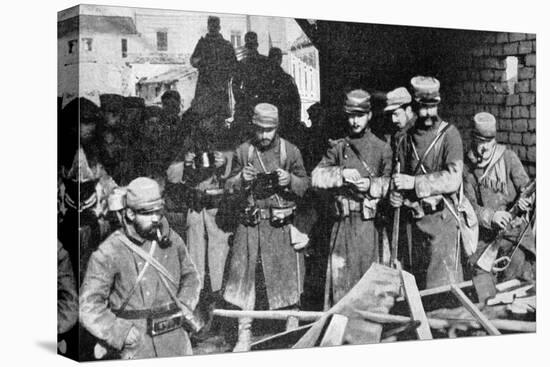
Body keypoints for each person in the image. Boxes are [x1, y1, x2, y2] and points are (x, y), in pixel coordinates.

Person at [79, 177, 201, 360]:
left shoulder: (172, 240)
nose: (155, 218)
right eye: (147, 212)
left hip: (176, 341)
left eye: (158, 211)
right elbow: (88, 305)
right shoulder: (109, 251)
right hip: (136, 346)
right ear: (129, 213)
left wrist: (184, 304)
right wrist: (119, 332)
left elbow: (191, 277)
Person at [223, 103, 310, 352]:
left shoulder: (290, 152)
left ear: (277, 127)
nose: (264, 135)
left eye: (269, 130)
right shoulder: (243, 151)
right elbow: (227, 188)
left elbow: (306, 186)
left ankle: (292, 332)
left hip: (280, 226)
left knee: (288, 282)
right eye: (260, 129)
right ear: (253, 126)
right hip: (250, 226)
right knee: (245, 282)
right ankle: (244, 335)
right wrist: (241, 180)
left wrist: (290, 180)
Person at [312, 89, 392, 308]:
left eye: (360, 115)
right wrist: (341, 174)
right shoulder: (339, 147)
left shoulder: (382, 148)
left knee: (371, 288)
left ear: (369, 116)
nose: (354, 121)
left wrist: (372, 185)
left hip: (370, 229)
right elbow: (316, 177)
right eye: (351, 115)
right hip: (343, 227)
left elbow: (392, 184)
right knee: (342, 290)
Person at [166, 111, 238, 336]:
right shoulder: (188, 146)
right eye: (201, 123)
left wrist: (225, 162)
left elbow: (239, 174)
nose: (206, 126)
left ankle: (223, 320)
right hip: (196, 213)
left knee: (220, 267)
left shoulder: (229, 143)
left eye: (210, 121)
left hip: (218, 214)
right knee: (196, 266)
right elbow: (171, 174)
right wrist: (186, 164)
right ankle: (200, 320)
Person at [390, 76, 465, 289]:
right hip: (414, 224)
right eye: (423, 107)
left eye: (433, 107)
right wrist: (395, 194)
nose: (428, 113)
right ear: (414, 107)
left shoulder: (450, 136)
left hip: (442, 224)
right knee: (416, 289)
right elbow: (399, 177)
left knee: (442, 291)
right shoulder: (406, 138)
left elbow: (453, 179)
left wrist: (413, 183)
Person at [464, 112, 535, 281]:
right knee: (482, 281)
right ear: (473, 139)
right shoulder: (467, 168)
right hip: (485, 237)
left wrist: (527, 201)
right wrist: (492, 216)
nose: (485, 147)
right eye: (481, 141)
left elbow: (526, 188)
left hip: (515, 235)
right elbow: (469, 206)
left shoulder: (508, 158)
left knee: (518, 278)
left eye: (489, 141)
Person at [190, 16, 237, 119]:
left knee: (219, 117)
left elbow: (234, 66)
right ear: (208, 27)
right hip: (205, 87)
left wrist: (226, 73)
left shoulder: (226, 45)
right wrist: (203, 62)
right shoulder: (202, 43)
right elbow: (193, 61)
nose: (213, 29)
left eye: (215, 26)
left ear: (219, 27)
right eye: (211, 26)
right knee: (203, 117)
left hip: (220, 88)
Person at [232, 32, 271, 130]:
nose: (251, 49)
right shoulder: (241, 64)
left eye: (252, 46)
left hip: (262, 103)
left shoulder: (265, 62)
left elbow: (270, 83)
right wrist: (242, 99)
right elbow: (235, 85)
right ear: (246, 47)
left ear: (256, 46)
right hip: (246, 106)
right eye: (249, 47)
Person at [266, 47, 301, 144]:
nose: (275, 61)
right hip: (280, 122)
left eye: (276, 58)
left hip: (282, 122)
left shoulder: (286, 79)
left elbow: (296, 103)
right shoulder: (286, 79)